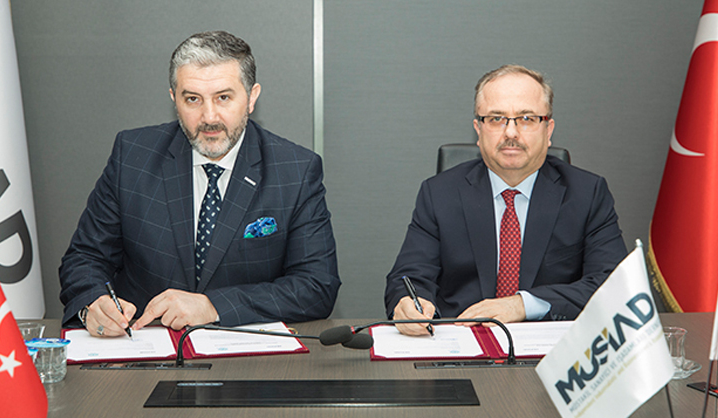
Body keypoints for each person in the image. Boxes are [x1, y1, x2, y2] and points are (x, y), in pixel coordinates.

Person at [60, 31, 340, 337]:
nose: (209, 117)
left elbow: (316, 285)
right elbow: (85, 258)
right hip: (145, 347)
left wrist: (213, 306)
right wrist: (93, 303)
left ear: (251, 97)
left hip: (246, 352)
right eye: (192, 99)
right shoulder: (132, 156)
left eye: (223, 98)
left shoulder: (295, 170)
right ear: (174, 99)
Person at [384, 65, 626, 336]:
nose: (511, 132)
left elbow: (613, 286)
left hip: (550, 349)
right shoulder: (439, 193)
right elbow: (408, 277)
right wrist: (408, 303)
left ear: (548, 130)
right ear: (478, 129)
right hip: (462, 342)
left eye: (527, 118)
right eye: (496, 118)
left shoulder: (587, 194)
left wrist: (522, 304)